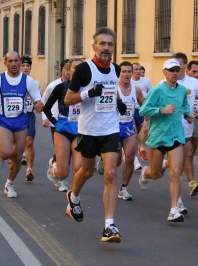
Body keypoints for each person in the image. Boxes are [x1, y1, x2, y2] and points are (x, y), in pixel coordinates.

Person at [64, 27, 126, 243]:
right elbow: (68, 99)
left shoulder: (115, 69)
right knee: (87, 171)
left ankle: (109, 226)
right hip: (89, 130)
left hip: (110, 129)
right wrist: (88, 93)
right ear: (94, 46)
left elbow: (112, 90)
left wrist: (118, 102)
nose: (106, 48)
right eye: (102, 43)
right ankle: (73, 196)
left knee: (110, 174)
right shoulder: (84, 70)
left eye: (110, 44)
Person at [0, 51, 43, 198]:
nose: (14, 64)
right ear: (5, 63)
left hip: (21, 120)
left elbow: (37, 101)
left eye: (16, 61)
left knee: (17, 156)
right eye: (10, 61)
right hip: (4, 120)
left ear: (20, 62)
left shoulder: (28, 81)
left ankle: (9, 184)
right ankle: (1, 152)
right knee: (6, 153)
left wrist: (39, 106)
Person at [139, 59, 193, 222]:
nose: (175, 73)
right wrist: (161, 110)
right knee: (155, 174)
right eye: (171, 70)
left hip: (176, 135)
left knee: (176, 172)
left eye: (177, 70)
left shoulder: (183, 90)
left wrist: (188, 115)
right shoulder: (157, 90)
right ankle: (145, 172)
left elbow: (184, 106)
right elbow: (143, 110)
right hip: (158, 137)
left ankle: (173, 210)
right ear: (164, 72)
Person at [45, 58, 83, 192]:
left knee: (78, 167)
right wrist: (56, 123)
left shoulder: (87, 88)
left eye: (80, 68)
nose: (78, 70)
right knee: (62, 173)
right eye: (75, 68)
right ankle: (54, 168)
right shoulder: (61, 87)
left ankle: (73, 197)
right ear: (69, 70)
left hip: (80, 130)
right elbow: (46, 108)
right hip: (63, 129)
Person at [116, 61, 144, 201]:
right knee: (116, 162)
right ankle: (103, 159)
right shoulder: (114, 89)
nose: (126, 74)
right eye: (123, 71)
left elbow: (144, 106)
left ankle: (123, 188)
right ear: (119, 73)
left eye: (129, 71)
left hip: (128, 127)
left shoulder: (136, 90)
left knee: (130, 158)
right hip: (114, 127)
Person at [42, 59, 70, 176]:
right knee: (62, 152)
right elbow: (44, 102)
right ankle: (58, 177)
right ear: (61, 70)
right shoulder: (53, 86)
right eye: (66, 69)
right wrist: (45, 118)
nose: (68, 72)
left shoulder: (80, 86)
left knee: (67, 153)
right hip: (57, 121)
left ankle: (54, 163)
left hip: (74, 123)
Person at [19, 55, 40, 181]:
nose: (25, 68)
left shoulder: (34, 83)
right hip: (16, 116)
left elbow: (38, 100)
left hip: (29, 115)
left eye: (27, 66)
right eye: (23, 66)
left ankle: (29, 170)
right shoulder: (13, 81)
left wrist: (39, 105)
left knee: (29, 142)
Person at [131, 62, 152, 170]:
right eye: (136, 69)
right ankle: (135, 160)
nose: (139, 71)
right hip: (130, 110)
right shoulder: (128, 81)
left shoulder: (146, 81)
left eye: (140, 69)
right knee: (133, 136)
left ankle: (135, 151)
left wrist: (148, 110)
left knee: (140, 131)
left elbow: (151, 95)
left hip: (142, 110)